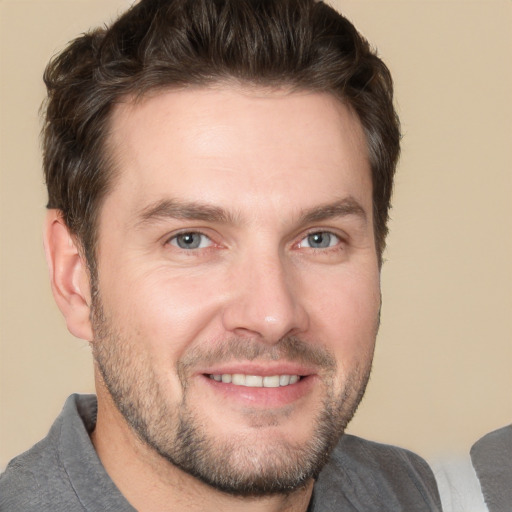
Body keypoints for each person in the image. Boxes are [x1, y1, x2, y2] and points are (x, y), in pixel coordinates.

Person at [0, 0, 442, 510]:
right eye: (191, 239)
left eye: (319, 238)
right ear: (75, 277)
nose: (272, 314)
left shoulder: (424, 494)